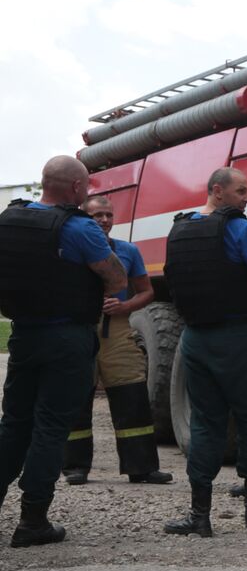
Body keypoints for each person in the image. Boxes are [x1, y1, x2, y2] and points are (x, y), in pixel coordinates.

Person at [0, 156, 127, 547]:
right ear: (75, 189)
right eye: (86, 187)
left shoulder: (8, 220)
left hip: (23, 334)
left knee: (14, 424)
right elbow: (116, 279)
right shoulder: (78, 227)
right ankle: (33, 520)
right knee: (51, 428)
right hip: (67, 338)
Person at [162, 167, 247, 537]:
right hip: (236, 337)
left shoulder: (180, 228)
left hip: (195, 339)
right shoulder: (238, 228)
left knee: (206, 423)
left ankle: (199, 516)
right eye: (242, 191)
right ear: (218, 191)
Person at [63, 195, 173, 486]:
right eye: (98, 215)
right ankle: (75, 467)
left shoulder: (127, 250)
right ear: (84, 218)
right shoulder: (70, 249)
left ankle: (142, 468)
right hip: (79, 329)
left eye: (109, 215)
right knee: (75, 396)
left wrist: (126, 307)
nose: (105, 220)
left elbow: (146, 291)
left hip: (119, 329)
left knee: (132, 396)